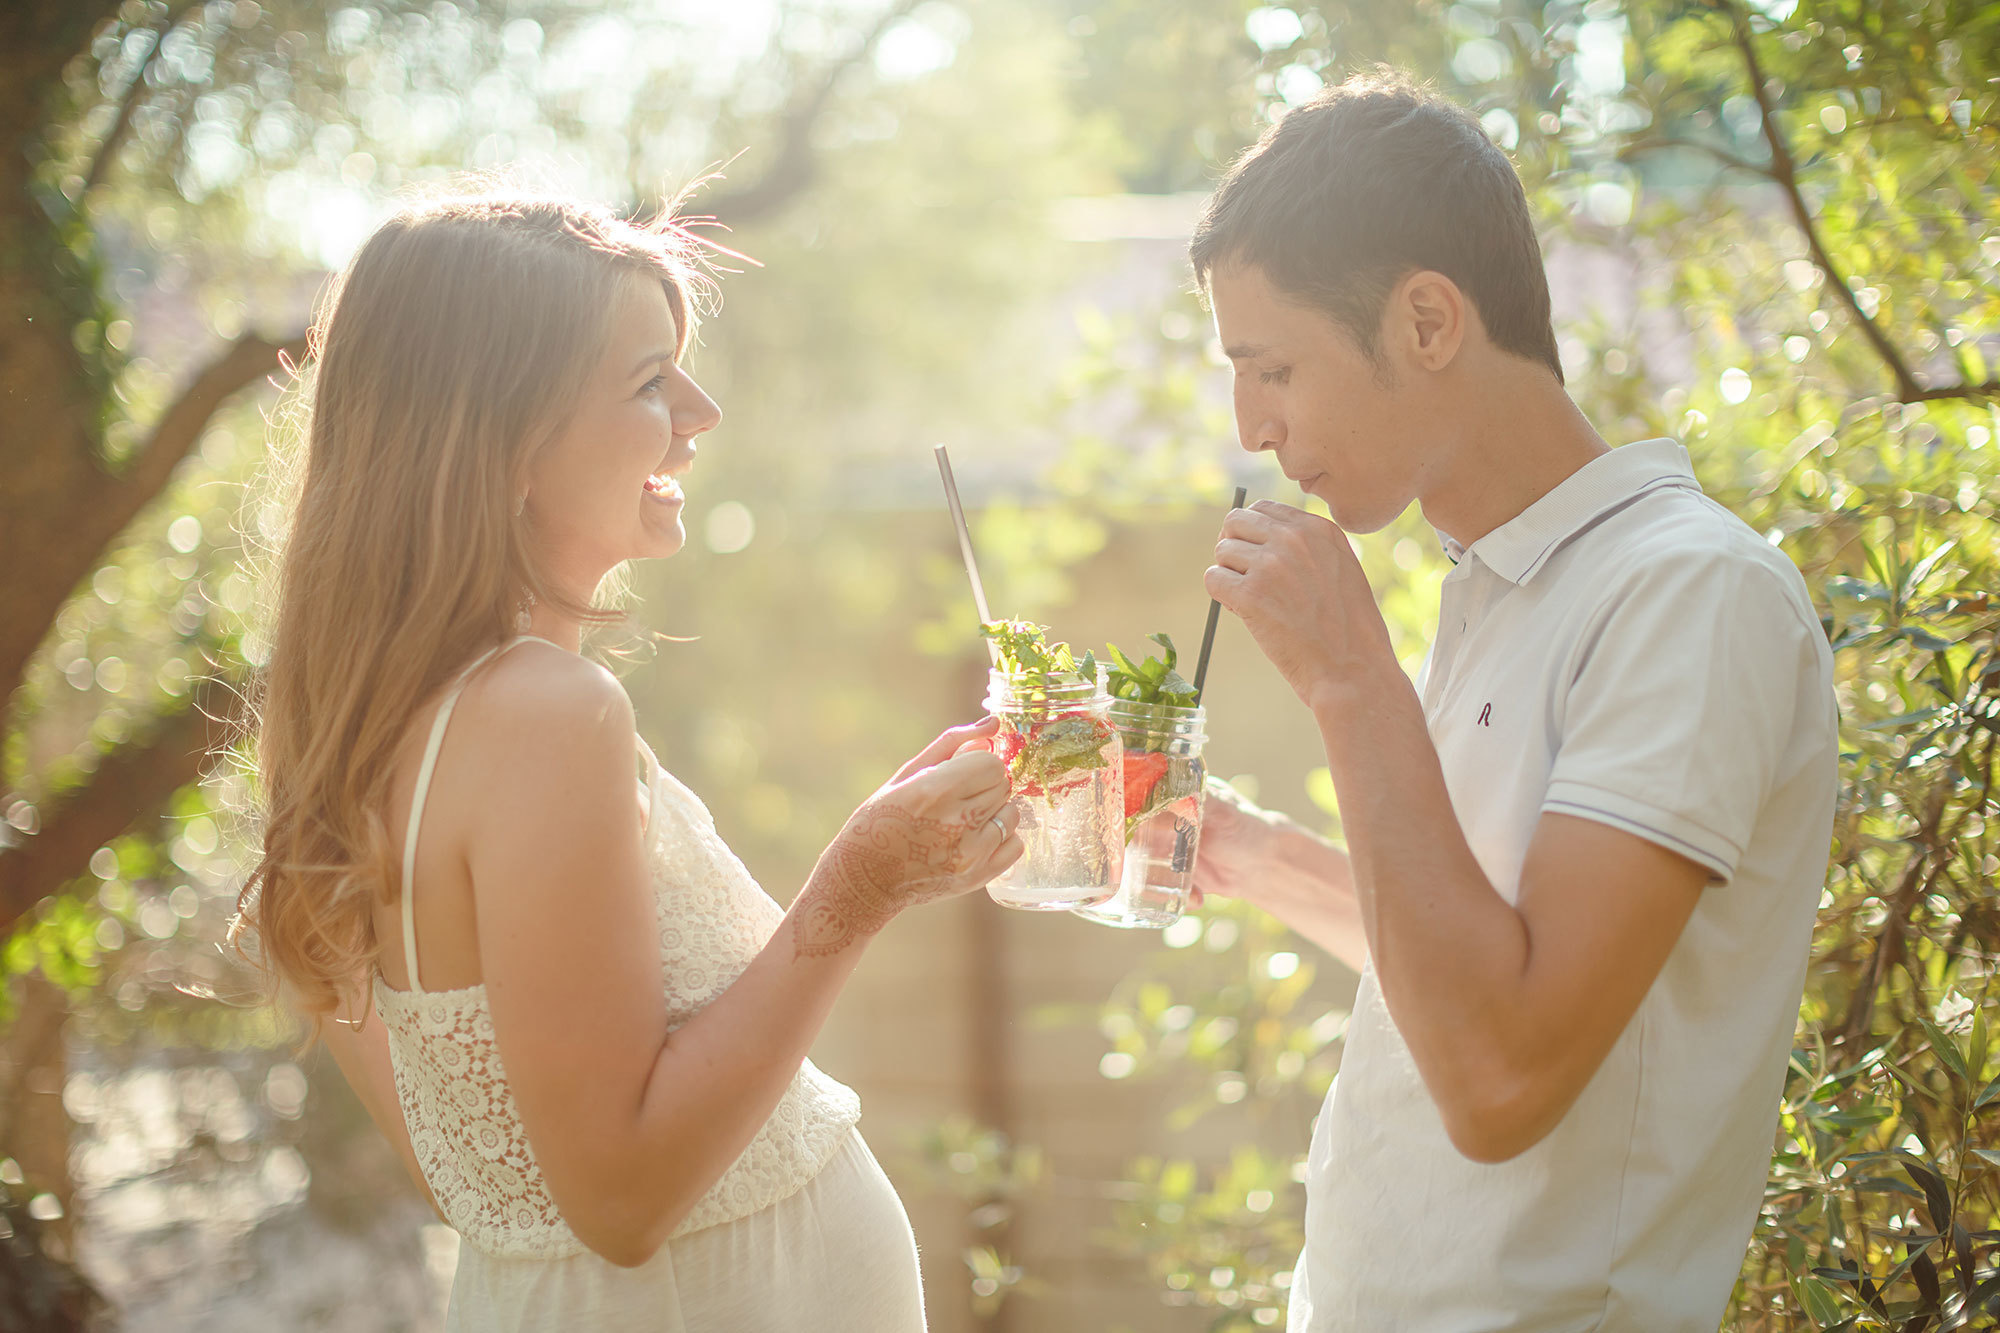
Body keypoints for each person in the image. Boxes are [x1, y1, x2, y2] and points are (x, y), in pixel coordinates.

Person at [229, 189, 1023, 1331]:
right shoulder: (548, 714)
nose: (699, 413)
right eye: (650, 382)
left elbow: (482, 1172)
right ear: (501, 440)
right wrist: (858, 885)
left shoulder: (365, 726)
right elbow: (617, 1199)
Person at [1187, 72, 1838, 1330]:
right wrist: (1239, 849)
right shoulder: (1493, 590)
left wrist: (1348, 679)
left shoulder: (1686, 594)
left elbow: (1499, 1075)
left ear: (1428, 320)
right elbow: (1461, 963)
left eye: (1270, 364)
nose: (1247, 423)